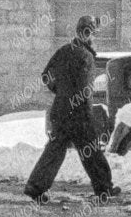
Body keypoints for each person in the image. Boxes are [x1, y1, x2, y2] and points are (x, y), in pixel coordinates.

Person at [24, 15, 116, 203]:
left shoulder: (63, 51)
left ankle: (36, 186)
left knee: (55, 149)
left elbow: (46, 76)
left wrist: (60, 91)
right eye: (89, 32)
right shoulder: (86, 56)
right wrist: (83, 109)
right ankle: (104, 188)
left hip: (60, 110)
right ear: (89, 35)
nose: (90, 36)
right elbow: (84, 90)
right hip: (79, 113)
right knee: (91, 151)